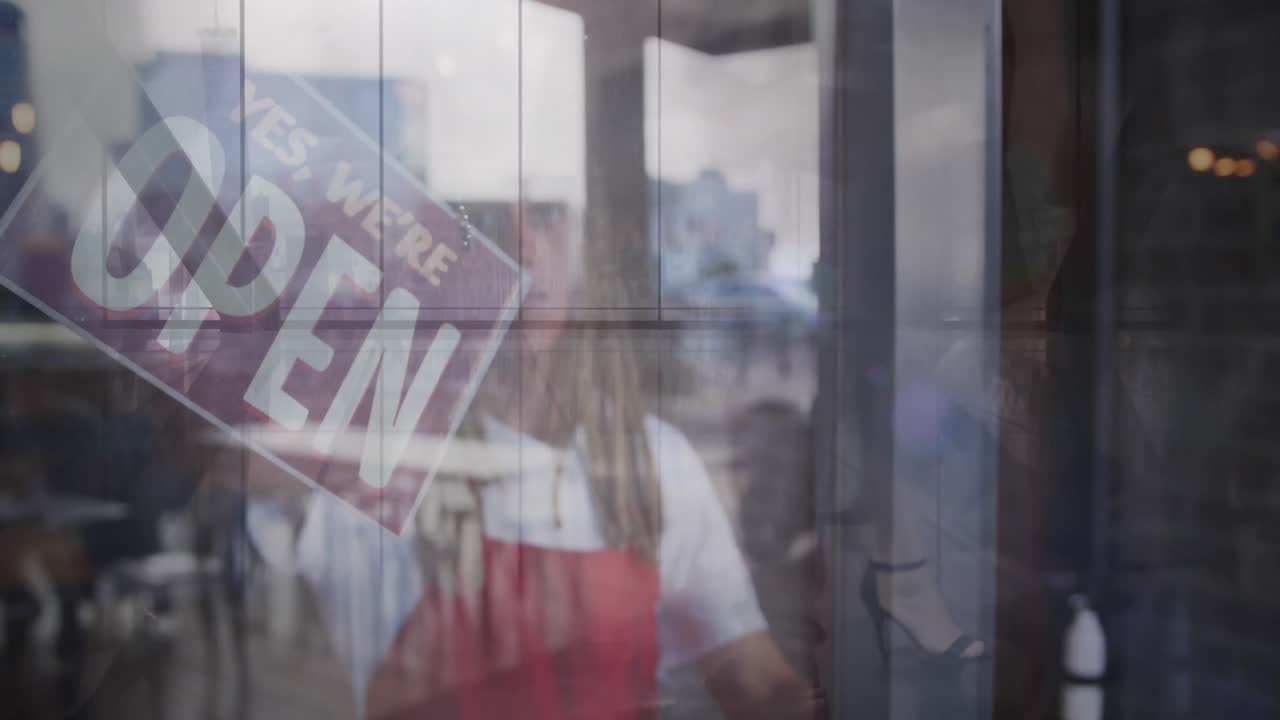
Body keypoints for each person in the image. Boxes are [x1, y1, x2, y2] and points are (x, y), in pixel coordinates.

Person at [226, 199, 821, 720]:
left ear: (590, 248)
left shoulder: (653, 464)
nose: (520, 246)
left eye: (546, 215)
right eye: (484, 221)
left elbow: (754, 679)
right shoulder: (380, 454)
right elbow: (233, 462)